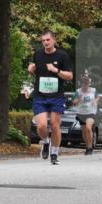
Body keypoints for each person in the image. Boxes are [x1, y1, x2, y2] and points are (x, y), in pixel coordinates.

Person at [28, 30, 73, 165]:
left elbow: (70, 76)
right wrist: (31, 69)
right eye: (43, 41)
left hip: (56, 96)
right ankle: (46, 142)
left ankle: (54, 153)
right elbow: (34, 69)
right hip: (40, 96)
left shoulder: (62, 56)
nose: (45, 43)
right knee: (41, 125)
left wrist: (56, 70)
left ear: (54, 40)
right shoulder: (38, 54)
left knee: (54, 125)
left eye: (48, 40)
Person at [73, 74, 97, 155]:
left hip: (91, 112)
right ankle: (87, 146)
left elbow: (98, 97)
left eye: (86, 83)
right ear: (81, 84)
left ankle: (90, 147)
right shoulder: (78, 92)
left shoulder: (93, 90)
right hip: (81, 113)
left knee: (88, 128)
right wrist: (79, 99)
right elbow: (74, 103)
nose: (85, 85)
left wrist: (95, 101)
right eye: (83, 83)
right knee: (84, 132)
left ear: (89, 83)